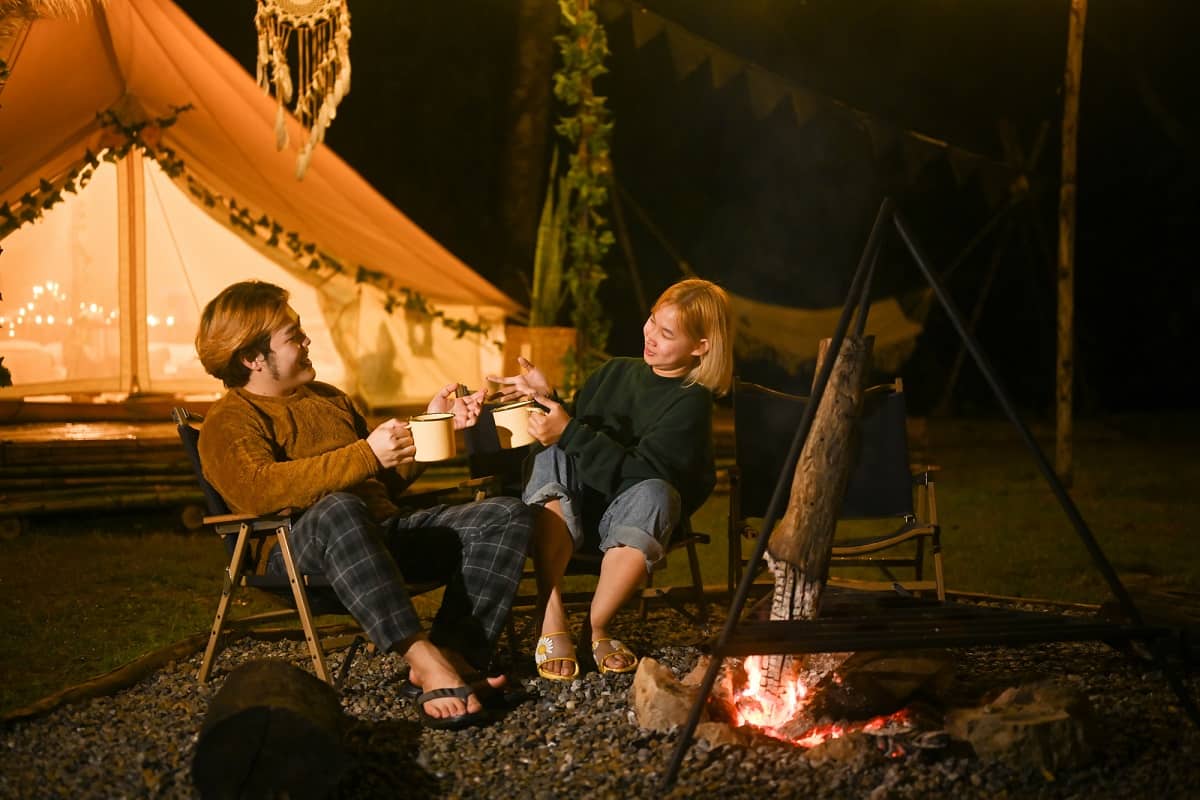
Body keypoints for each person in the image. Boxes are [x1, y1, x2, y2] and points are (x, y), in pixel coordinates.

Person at [194, 280, 532, 729]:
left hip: (377, 537)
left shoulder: (331, 399)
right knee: (338, 508)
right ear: (253, 358)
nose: (307, 340)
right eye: (293, 336)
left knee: (503, 514)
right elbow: (262, 491)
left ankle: (455, 653)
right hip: (293, 551)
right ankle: (425, 658)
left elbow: (379, 483)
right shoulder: (230, 420)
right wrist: (366, 454)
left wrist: (438, 429)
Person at [488, 278, 732, 680]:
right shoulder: (615, 371)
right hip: (568, 506)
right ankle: (550, 617)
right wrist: (549, 399)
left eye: (667, 333)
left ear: (701, 345)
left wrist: (567, 431)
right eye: (651, 322)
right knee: (549, 454)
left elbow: (642, 473)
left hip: (628, 517)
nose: (650, 336)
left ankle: (597, 628)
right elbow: (576, 436)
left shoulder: (690, 401)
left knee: (655, 492)